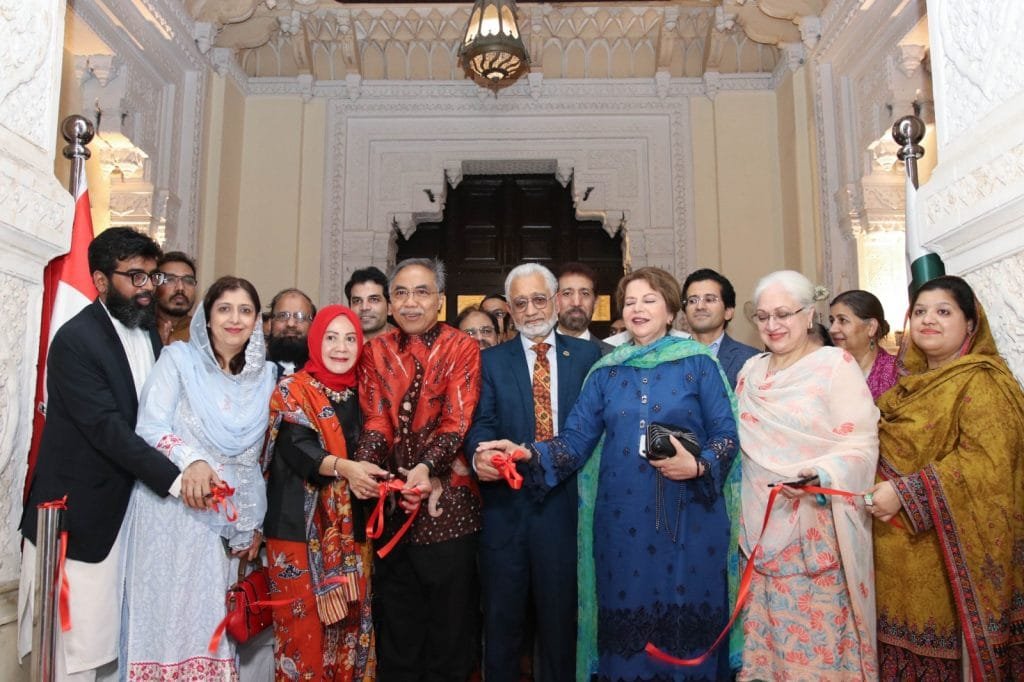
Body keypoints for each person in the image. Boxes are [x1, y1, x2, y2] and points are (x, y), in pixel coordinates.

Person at [479, 266, 739, 680]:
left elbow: (727, 432)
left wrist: (701, 463)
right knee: (628, 628)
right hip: (622, 523)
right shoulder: (606, 371)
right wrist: (527, 453)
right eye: (630, 302)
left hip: (689, 516)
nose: (637, 309)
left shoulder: (699, 364)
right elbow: (574, 440)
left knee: (685, 621)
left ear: (671, 310)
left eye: (648, 300)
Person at [18, 227, 208, 681]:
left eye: (152, 277)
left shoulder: (151, 337)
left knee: (116, 650)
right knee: (74, 657)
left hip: (133, 519)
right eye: (135, 277)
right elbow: (108, 431)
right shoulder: (77, 340)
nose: (148, 289)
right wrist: (180, 480)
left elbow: (163, 422)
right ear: (101, 281)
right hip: (78, 523)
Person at [865, 275, 1024, 679]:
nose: (927, 320)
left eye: (943, 311)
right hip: (893, 556)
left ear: (970, 323)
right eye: (919, 312)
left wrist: (907, 491)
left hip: (951, 561)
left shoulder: (983, 382)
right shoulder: (903, 392)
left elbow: (988, 465)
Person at [120, 276, 275, 678]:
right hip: (175, 514)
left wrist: (251, 521)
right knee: (169, 621)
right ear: (207, 317)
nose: (234, 319)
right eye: (224, 308)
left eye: (245, 310)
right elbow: (149, 427)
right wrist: (191, 461)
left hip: (229, 523)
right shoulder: (178, 360)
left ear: (257, 320)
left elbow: (254, 460)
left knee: (217, 625)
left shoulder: (266, 378)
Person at [736, 270, 879, 681]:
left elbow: (862, 444)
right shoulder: (751, 371)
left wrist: (821, 472)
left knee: (819, 650)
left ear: (808, 313)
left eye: (783, 314)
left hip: (816, 529)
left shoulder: (834, 366)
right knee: (770, 646)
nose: (772, 325)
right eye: (762, 316)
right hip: (760, 532)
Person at [467, 264, 601, 682]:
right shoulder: (489, 360)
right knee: (503, 625)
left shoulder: (591, 357)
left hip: (566, 508)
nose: (530, 310)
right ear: (508, 308)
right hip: (505, 510)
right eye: (520, 303)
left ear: (557, 300)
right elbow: (480, 423)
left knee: (562, 626)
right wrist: (479, 455)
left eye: (539, 299)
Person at [353, 258, 483, 681]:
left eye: (422, 292)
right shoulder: (375, 351)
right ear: (390, 304)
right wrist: (366, 466)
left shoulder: (461, 346)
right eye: (402, 294)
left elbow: (457, 420)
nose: (412, 303)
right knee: (399, 633)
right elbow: (376, 419)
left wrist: (427, 467)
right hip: (392, 511)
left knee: (450, 634)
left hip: (448, 512)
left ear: (440, 301)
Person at [264, 305, 390, 680]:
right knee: (303, 643)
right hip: (297, 536)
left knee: (351, 640)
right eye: (331, 338)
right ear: (316, 341)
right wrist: (346, 468)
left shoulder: (364, 395)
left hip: (353, 538)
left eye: (350, 338)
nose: (341, 347)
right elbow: (299, 449)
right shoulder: (293, 391)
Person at [682, 268, 759, 388]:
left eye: (709, 299)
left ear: (728, 312)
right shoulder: (668, 357)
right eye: (692, 300)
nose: (700, 306)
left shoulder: (751, 359)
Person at [829, 289, 897, 400]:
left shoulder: (896, 372)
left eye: (842, 320)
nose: (832, 329)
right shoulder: (829, 370)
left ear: (871, 327)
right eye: (832, 321)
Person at [555, 262, 613, 354]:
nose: (576, 303)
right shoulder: (537, 353)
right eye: (567, 293)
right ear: (555, 301)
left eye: (585, 294)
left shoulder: (614, 357)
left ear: (595, 302)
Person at [267, 287, 317, 377]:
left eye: (300, 316)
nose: (290, 324)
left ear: (313, 325)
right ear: (270, 324)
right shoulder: (253, 371)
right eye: (282, 316)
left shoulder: (321, 376)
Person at [154, 250, 198, 345]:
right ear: (154, 285)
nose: (180, 288)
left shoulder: (204, 335)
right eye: (170, 280)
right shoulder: (141, 331)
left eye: (188, 281)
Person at [345, 266, 394, 341]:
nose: (364, 307)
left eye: (374, 299)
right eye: (357, 301)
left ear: (390, 308)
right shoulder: (341, 346)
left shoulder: (409, 347)